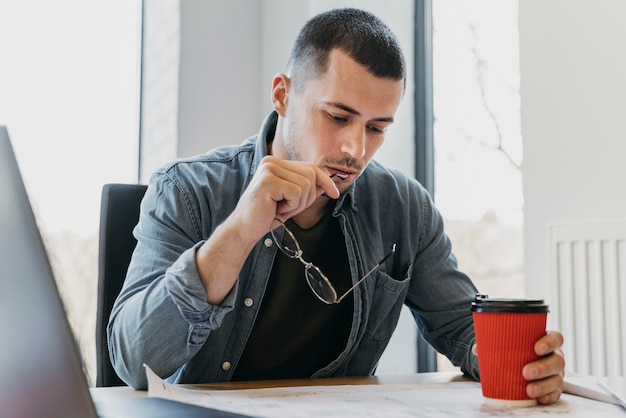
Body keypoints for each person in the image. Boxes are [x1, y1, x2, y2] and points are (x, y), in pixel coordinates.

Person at [108, 7, 565, 404]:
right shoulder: (188, 190)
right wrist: (238, 233)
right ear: (283, 95)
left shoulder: (404, 207)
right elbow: (133, 360)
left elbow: (461, 329)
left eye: (377, 128)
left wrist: (521, 365)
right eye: (338, 117)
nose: (354, 149)